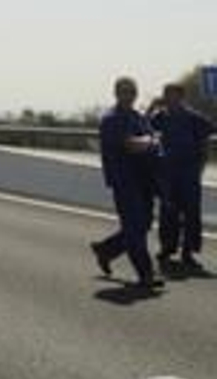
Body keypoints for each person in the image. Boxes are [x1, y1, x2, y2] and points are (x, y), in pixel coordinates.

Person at [89, 75, 164, 292]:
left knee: (143, 224)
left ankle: (106, 249)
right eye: (124, 91)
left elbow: (151, 137)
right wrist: (150, 141)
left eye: (132, 91)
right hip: (125, 180)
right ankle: (146, 274)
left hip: (145, 180)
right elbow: (132, 145)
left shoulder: (137, 116)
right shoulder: (112, 119)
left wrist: (150, 140)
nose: (129, 95)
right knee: (134, 227)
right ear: (116, 93)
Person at [149, 83, 213, 272]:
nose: (169, 99)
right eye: (166, 95)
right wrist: (152, 107)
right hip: (167, 172)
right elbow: (142, 128)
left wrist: (201, 165)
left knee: (191, 213)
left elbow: (206, 139)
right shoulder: (161, 117)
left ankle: (188, 252)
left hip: (189, 172)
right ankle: (167, 248)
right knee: (168, 211)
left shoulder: (193, 118)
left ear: (181, 97)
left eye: (173, 95)